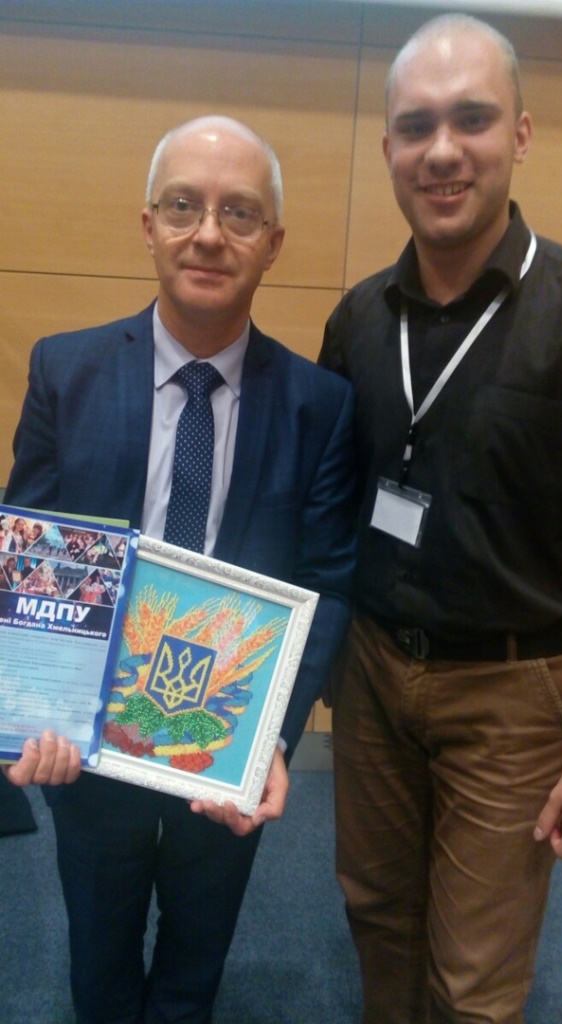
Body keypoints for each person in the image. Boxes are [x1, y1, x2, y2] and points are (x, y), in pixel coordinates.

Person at [4, 114, 356, 1024]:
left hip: (223, 744)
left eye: (239, 212)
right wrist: (31, 712)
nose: (208, 233)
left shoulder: (320, 406)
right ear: (148, 225)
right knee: (98, 954)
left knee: (198, 956)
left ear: (273, 242)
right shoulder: (66, 371)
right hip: (88, 744)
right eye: (183, 206)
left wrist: (273, 740)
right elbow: (30, 558)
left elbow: (328, 583)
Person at [318, 15, 562, 1024]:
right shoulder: (357, 317)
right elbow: (335, 505)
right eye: (417, 125)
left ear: (520, 132)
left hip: (517, 692)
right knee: (377, 915)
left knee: (473, 983)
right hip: (374, 674)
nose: (441, 150)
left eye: (470, 119)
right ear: (387, 144)